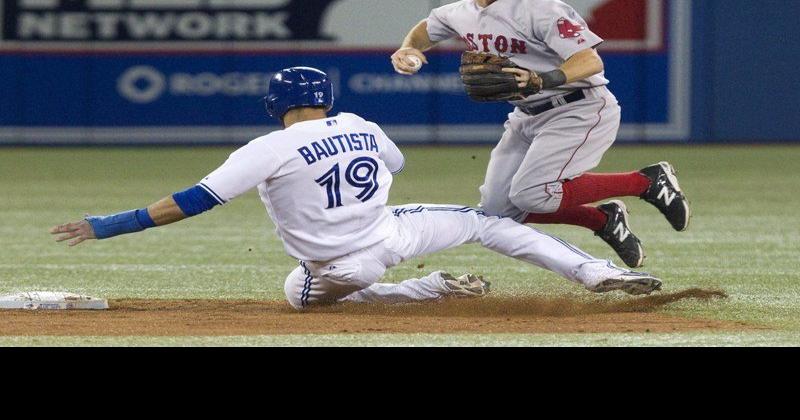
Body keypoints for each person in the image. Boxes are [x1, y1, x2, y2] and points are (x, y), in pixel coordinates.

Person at [50, 67, 662, 310]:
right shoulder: (364, 125)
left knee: (300, 294)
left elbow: (191, 203)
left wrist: (108, 224)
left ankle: (426, 290)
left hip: (337, 264)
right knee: (491, 223)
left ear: (277, 104)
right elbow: (393, 164)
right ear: (324, 101)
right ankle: (599, 276)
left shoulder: (265, 149)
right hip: (395, 230)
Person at [391, 0, 690, 268]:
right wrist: (408, 48)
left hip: (578, 108)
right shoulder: (459, 12)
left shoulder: (540, 9)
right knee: (498, 212)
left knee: (532, 193)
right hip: (526, 116)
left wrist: (542, 78)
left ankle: (646, 182)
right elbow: (425, 30)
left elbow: (590, 61)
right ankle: (603, 219)